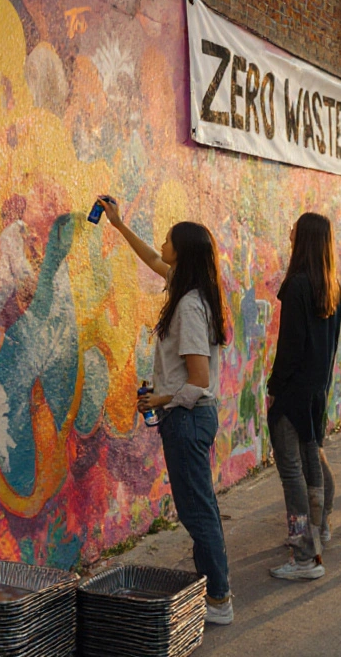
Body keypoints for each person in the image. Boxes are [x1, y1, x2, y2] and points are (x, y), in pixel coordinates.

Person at [96, 198, 235, 625]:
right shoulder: (186, 286)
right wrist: (119, 226)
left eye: (170, 239)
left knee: (197, 511)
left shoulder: (191, 306)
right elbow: (152, 258)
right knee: (200, 506)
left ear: (185, 252)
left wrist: (161, 399)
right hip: (188, 420)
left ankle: (218, 598)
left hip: (188, 419)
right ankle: (212, 588)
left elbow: (198, 380)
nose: (163, 243)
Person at [265, 213, 341, 580]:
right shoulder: (332, 285)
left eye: (294, 226)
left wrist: (274, 387)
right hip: (315, 392)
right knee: (311, 463)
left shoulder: (296, 285)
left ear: (305, 237)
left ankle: (304, 556)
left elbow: (290, 348)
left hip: (294, 392)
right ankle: (318, 530)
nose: (289, 230)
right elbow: (330, 348)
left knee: (292, 472)